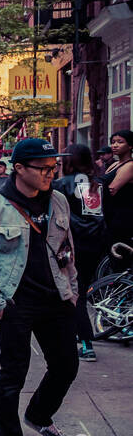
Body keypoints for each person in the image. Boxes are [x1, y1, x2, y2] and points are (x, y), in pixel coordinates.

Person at [0, 139, 79, 436]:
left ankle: (39, 415)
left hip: (56, 299)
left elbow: (66, 248)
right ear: (19, 169)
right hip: (15, 302)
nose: (50, 173)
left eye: (52, 167)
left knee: (66, 365)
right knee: (14, 372)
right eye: (42, 168)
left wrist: (72, 288)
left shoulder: (57, 201)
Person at [53, 144, 104, 361]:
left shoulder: (61, 184)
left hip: (71, 245)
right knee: (83, 291)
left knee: (76, 293)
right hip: (95, 244)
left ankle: (85, 341)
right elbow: (94, 216)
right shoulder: (95, 184)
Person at [101, 130, 133, 271]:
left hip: (123, 218)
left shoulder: (130, 165)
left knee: (121, 259)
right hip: (111, 215)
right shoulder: (114, 164)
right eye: (113, 142)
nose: (115, 145)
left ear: (131, 145)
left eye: (120, 142)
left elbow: (112, 189)